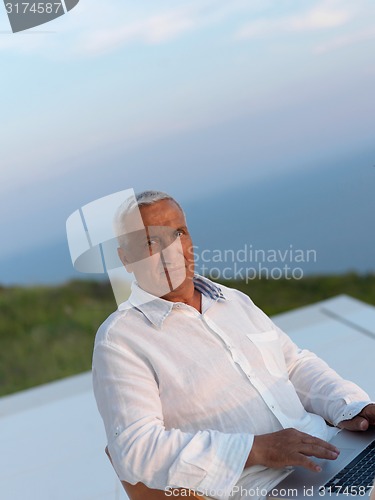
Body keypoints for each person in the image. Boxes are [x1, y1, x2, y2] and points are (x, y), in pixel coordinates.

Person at [92, 190, 375, 500]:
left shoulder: (234, 301)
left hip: (336, 450)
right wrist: (255, 449)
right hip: (269, 487)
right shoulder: (121, 340)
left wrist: (351, 406)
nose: (170, 252)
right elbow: (135, 449)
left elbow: (293, 365)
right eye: (150, 242)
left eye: (178, 234)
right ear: (126, 259)